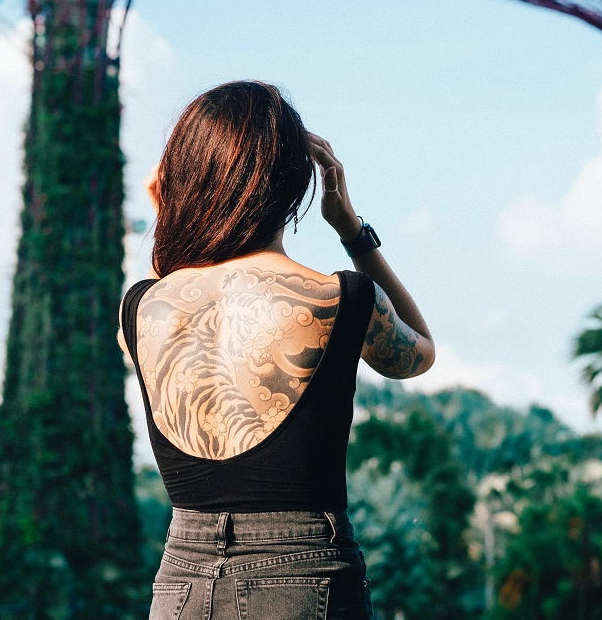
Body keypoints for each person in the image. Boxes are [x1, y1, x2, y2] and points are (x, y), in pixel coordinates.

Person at [117, 80, 435, 620]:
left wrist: (169, 218)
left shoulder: (142, 308)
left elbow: (155, 307)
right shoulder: (341, 298)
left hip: (180, 580)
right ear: (296, 182)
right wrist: (350, 227)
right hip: (305, 576)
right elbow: (418, 353)